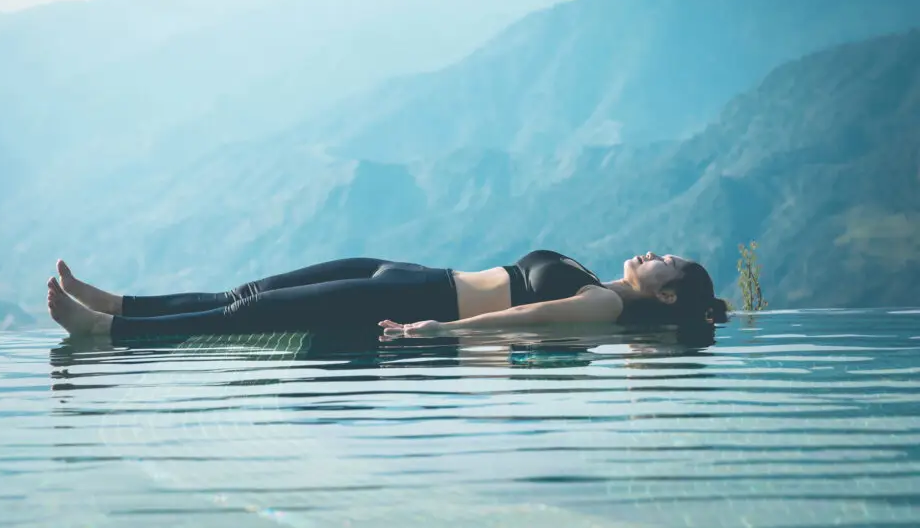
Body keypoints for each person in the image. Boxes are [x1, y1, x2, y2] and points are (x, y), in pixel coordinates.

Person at [47, 249, 729, 340]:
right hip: (402, 273)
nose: (655, 254)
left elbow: (527, 314)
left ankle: (103, 333)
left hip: (420, 304)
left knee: (247, 315)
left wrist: (432, 331)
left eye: (667, 264)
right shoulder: (594, 274)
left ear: (666, 297)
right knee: (247, 290)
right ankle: (118, 303)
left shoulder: (605, 305)